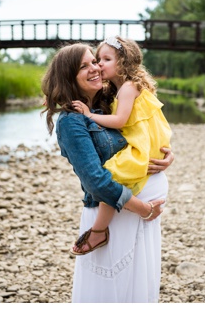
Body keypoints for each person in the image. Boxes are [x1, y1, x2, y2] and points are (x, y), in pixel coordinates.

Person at [41, 42, 172, 303]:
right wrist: (142, 208)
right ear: (68, 77)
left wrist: (165, 155)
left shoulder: (105, 106)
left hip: (136, 214)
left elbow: (141, 134)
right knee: (109, 293)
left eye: (96, 61)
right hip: (120, 213)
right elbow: (96, 182)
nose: (96, 68)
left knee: (136, 289)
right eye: (84, 65)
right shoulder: (72, 122)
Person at [69, 36, 172, 256]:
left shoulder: (128, 87)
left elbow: (120, 122)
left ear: (123, 62)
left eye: (106, 59)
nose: (99, 65)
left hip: (142, 144)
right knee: (114, 177)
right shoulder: (118, 90)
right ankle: (99, 230)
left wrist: (88, 115)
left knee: (112, 175)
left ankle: (98, 231)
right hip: (146, 142)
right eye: (98, 59)